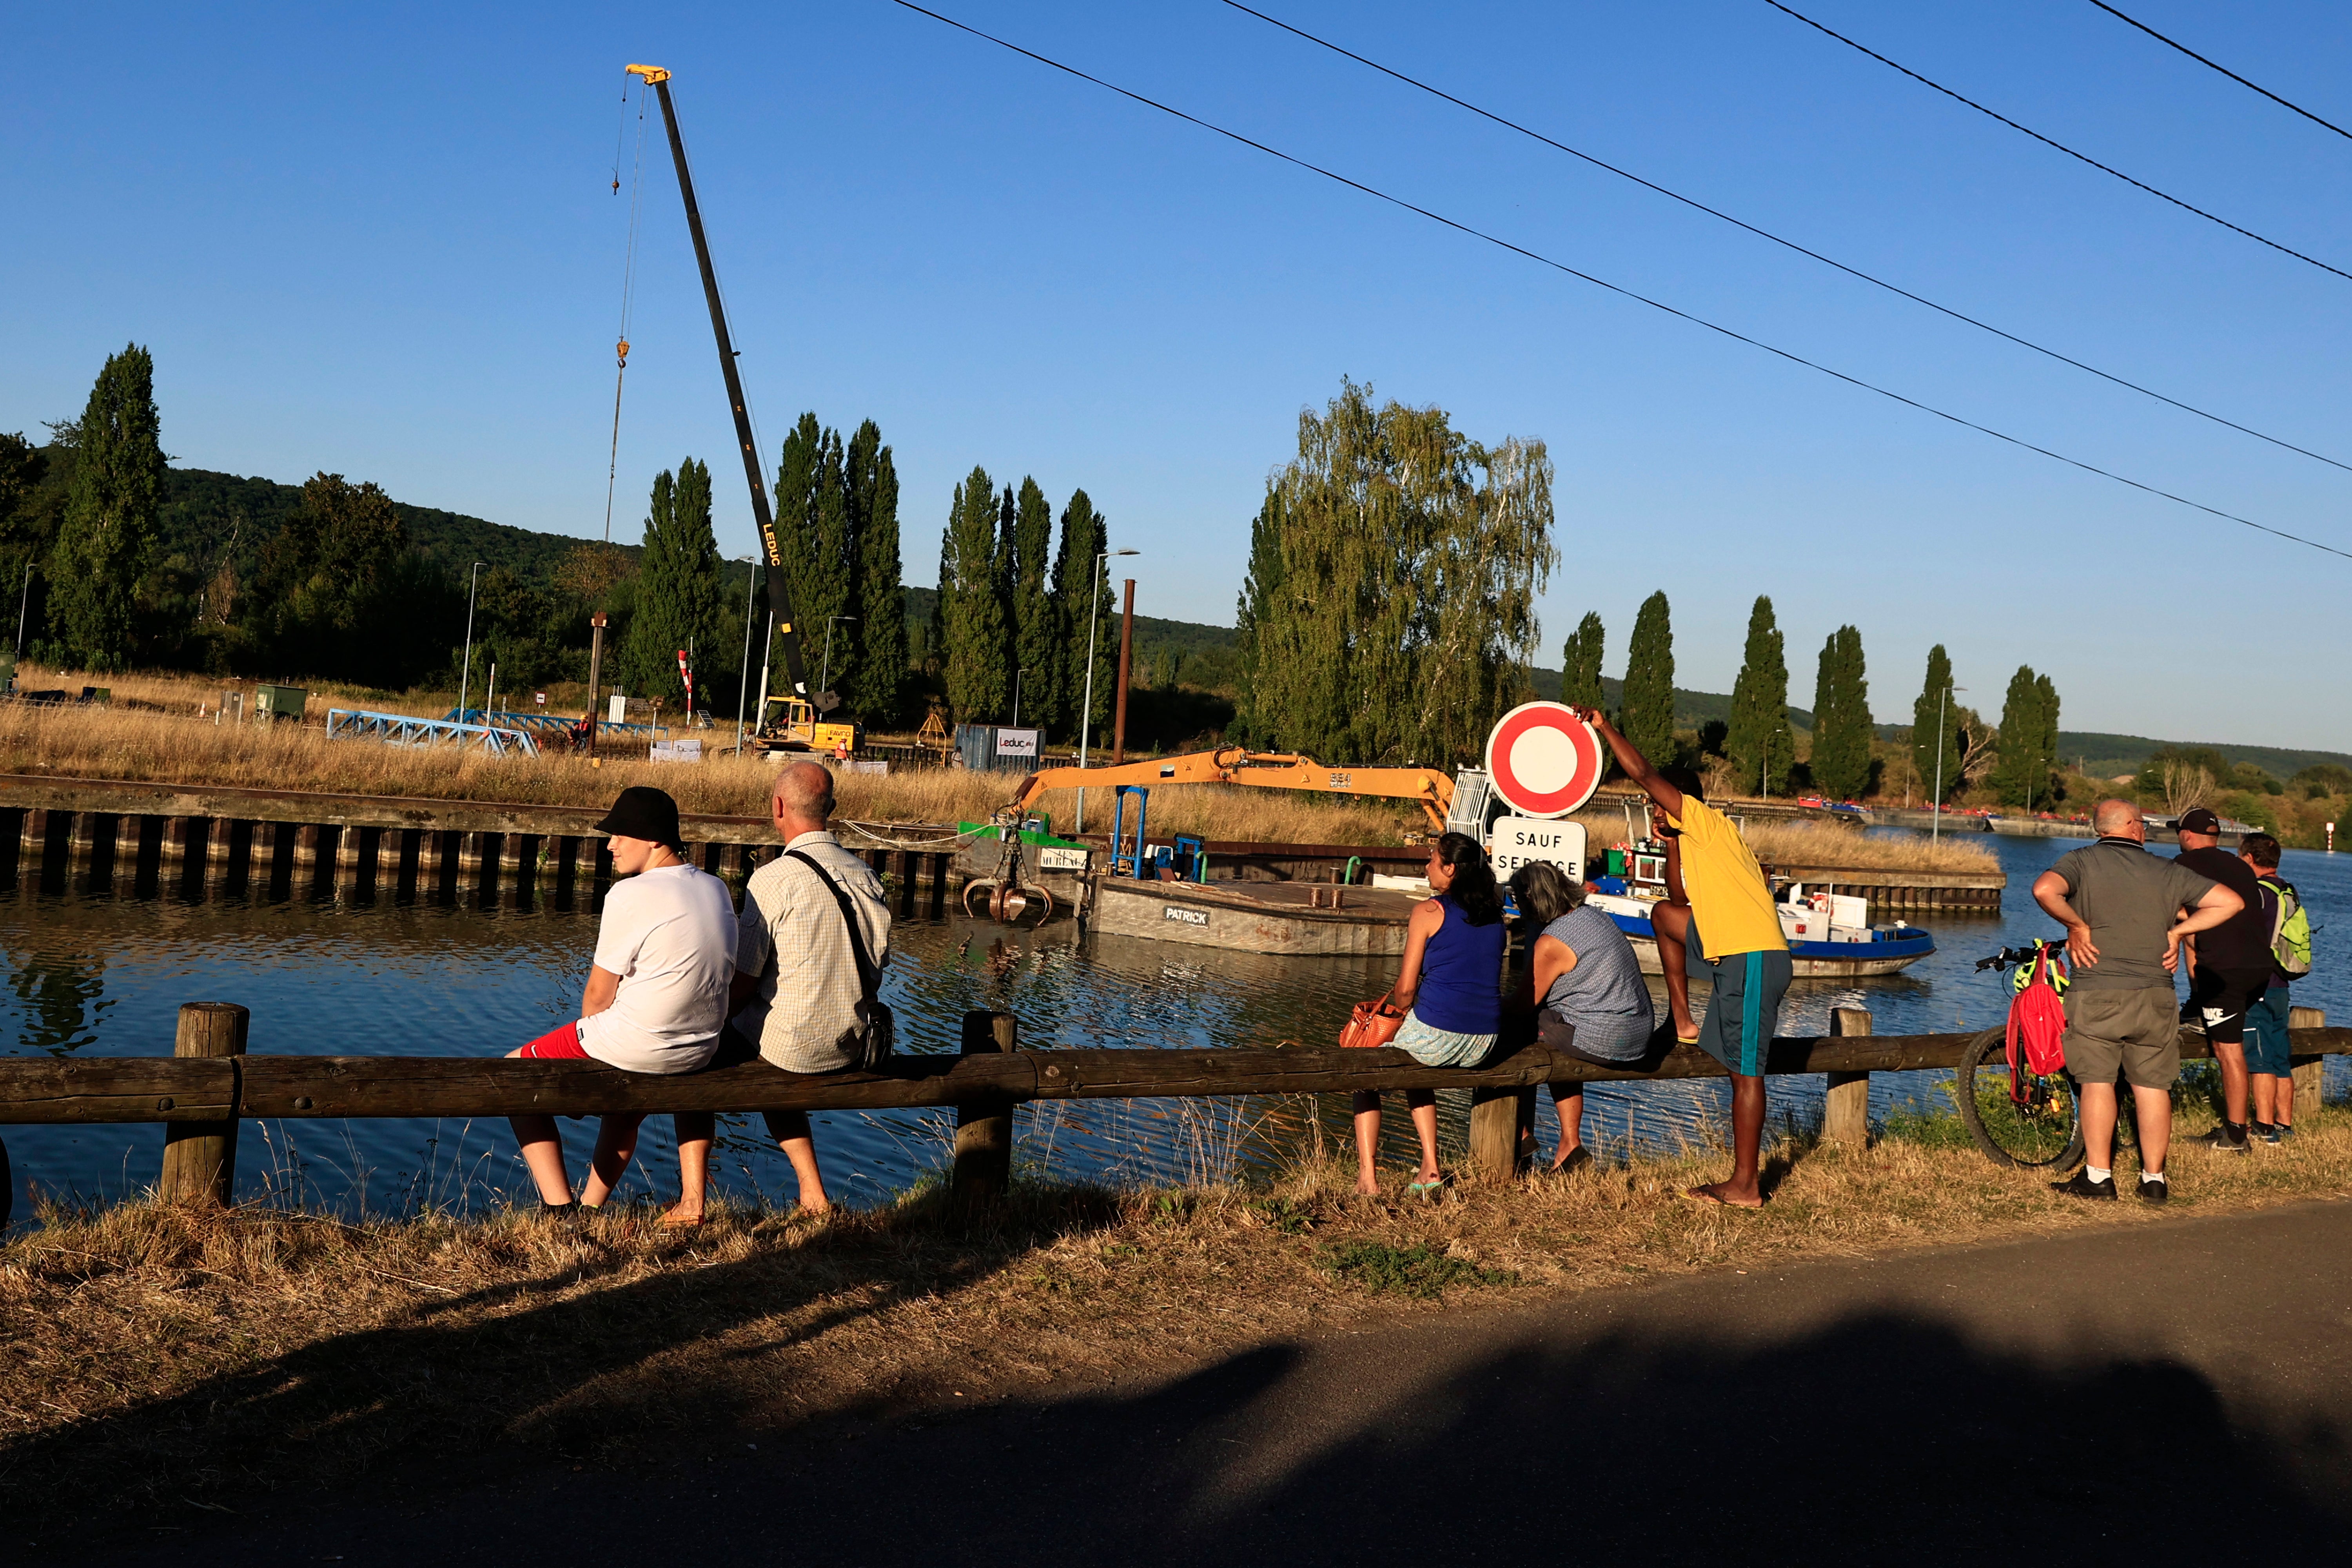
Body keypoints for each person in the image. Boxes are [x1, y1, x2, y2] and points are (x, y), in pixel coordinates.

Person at [1572, 705, 1788, 1207]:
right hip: (1731, 952)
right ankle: (1683, 1018)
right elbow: (1679, 900)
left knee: (1747, 1074)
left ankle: (1746, 1186)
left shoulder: (1708, 822)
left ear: (1676, 801)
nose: (1653, 815)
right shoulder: (1697, 840)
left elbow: (1645, 773)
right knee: (1664, 915)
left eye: (1657, 808)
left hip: (1754, 956)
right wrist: (1670, 843)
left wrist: (1604, 729)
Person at [669, 760, 891, 1223]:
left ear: (778, 807)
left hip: (796, 1049)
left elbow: (745, 983)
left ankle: (692, 1202)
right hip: (855, 1045)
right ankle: (813, 1193)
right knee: (782, 1035)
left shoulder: (772, 880)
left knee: (697, 1060)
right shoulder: (869, 877)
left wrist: (702, 1023)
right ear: (831, 808)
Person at [505, 786, 737, 1217]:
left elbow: (596, 995)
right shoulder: (716, 888)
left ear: (652, 840)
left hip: (638, 1044)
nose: (609, 844)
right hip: (701, 1049)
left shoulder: (630, 894)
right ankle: (590, 1211)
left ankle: (559, 1208)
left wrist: (592, 1056)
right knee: (625, 1108)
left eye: (620, 834)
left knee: (514, 1070)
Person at [2033, 800, 2244, 1203]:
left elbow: (2044, 889)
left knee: (2098, 1081)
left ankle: (2098, 1177)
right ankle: (2154, 1180)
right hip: (2155, 994)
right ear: (2131, 827)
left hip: (2098, 990)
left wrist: (2077, 925)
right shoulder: (2168, 871)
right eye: (2142, 823)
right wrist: (2180, 933)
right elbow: (2231, 903)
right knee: (2151, 1086)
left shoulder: (2080, 862)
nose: (2145, 828)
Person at [1352, 833, 1506, 1198]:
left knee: (1362, 1071)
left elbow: (1405, 991)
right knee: (1415, 1063)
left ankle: (1368, 1179)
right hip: (1485, 1040)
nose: (1426, 867)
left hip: (1442, 1035)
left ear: (1450, 869)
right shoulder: (1495, 915)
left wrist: (1398, 1014)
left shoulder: (1428, 912)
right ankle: (1430, 1168)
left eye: (1432, 860)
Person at [1505, 859, 1655, 1173]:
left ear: (1531, 900)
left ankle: (1518, 1132)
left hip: (1607, 1038)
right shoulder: (1595, 917)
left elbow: (1523, 1005)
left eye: (1518, 899)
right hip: (1639, 1031)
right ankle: (1569, 1144)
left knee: (1516, 1026)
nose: (1516, 906)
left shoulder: (1552, 942)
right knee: (1558, 1025)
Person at [2171, 807, 2273, 1154]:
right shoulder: (2239, 866)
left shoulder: (2182, 866)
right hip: (2259, 968)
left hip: (2226, 971)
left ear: (2186, 835)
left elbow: (2167, 909)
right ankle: (2236, 1123)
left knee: (2228, 1052)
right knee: (2227, 1043)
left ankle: (2236, 1136)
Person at [2237, 832, 2299, 1143]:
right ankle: (2284, 1125)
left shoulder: (2256, 892)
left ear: (2250, 858)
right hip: (2281, 984)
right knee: (2279, 1057)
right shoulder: (2288, 890)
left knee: (2258, 1057)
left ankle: (2264, 1127)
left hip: (2258, 983)